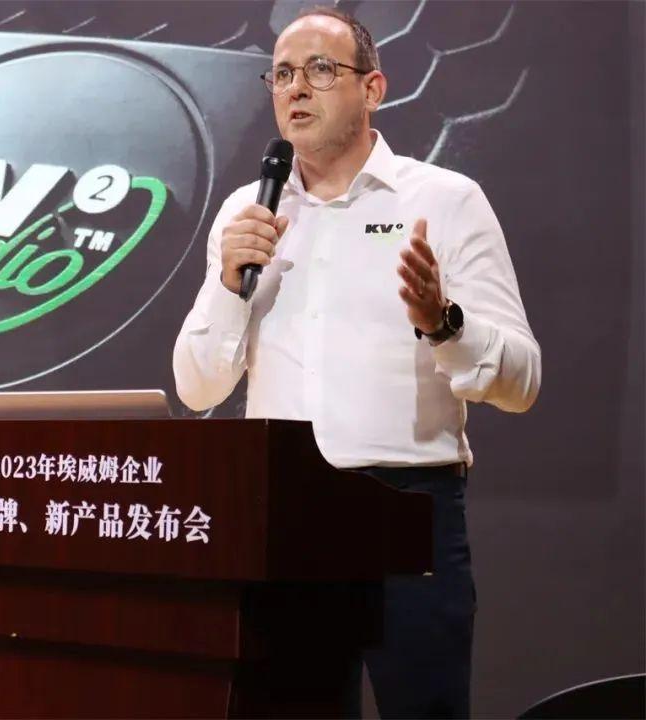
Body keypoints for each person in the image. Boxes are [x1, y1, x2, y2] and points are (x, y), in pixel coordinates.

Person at [172, 6, 541, 718]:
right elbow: (196, 385)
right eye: (282, 74)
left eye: (319, 69)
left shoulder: (446, 201)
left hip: (406, 512)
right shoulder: (247, 213)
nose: (295, 88)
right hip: (281, 516)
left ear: (373, 88)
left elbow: (523, 382)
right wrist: (227, 283)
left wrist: (443, 324)